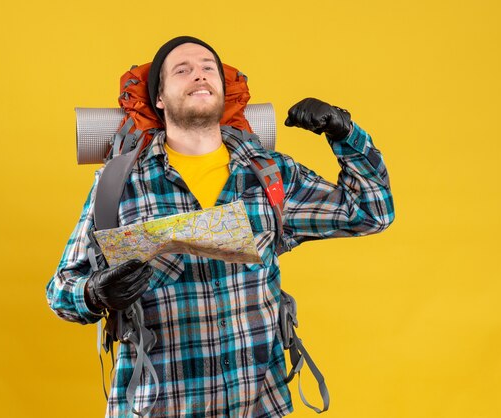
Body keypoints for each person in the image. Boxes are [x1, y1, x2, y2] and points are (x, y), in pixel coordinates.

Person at [46, 36, 394, 417]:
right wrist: (95, 293)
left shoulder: (271, 175)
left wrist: (345, 134)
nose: (199, 74)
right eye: (182, 70)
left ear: (222, 91)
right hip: (159, 407)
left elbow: (370, 212)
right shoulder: (119, 183)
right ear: (159, 98)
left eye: (208, 68)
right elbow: (62, 290)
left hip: (258, 405)